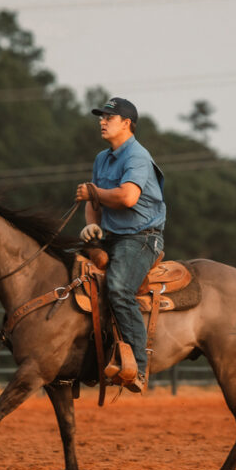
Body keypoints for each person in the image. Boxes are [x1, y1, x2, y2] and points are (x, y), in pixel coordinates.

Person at [75, 97, 166, 393]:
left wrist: (94, 192)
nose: (102, 122)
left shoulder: (137, 157)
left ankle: (137, 367)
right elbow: (95, 200)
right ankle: (81, 361)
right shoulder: (102, 158)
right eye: (101, 117)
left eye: (109, 118)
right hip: (111, 236)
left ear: (127, 124)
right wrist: (91, 224)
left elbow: (127, 198)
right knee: (66, 270)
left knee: (118, 288)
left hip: (141, 238)